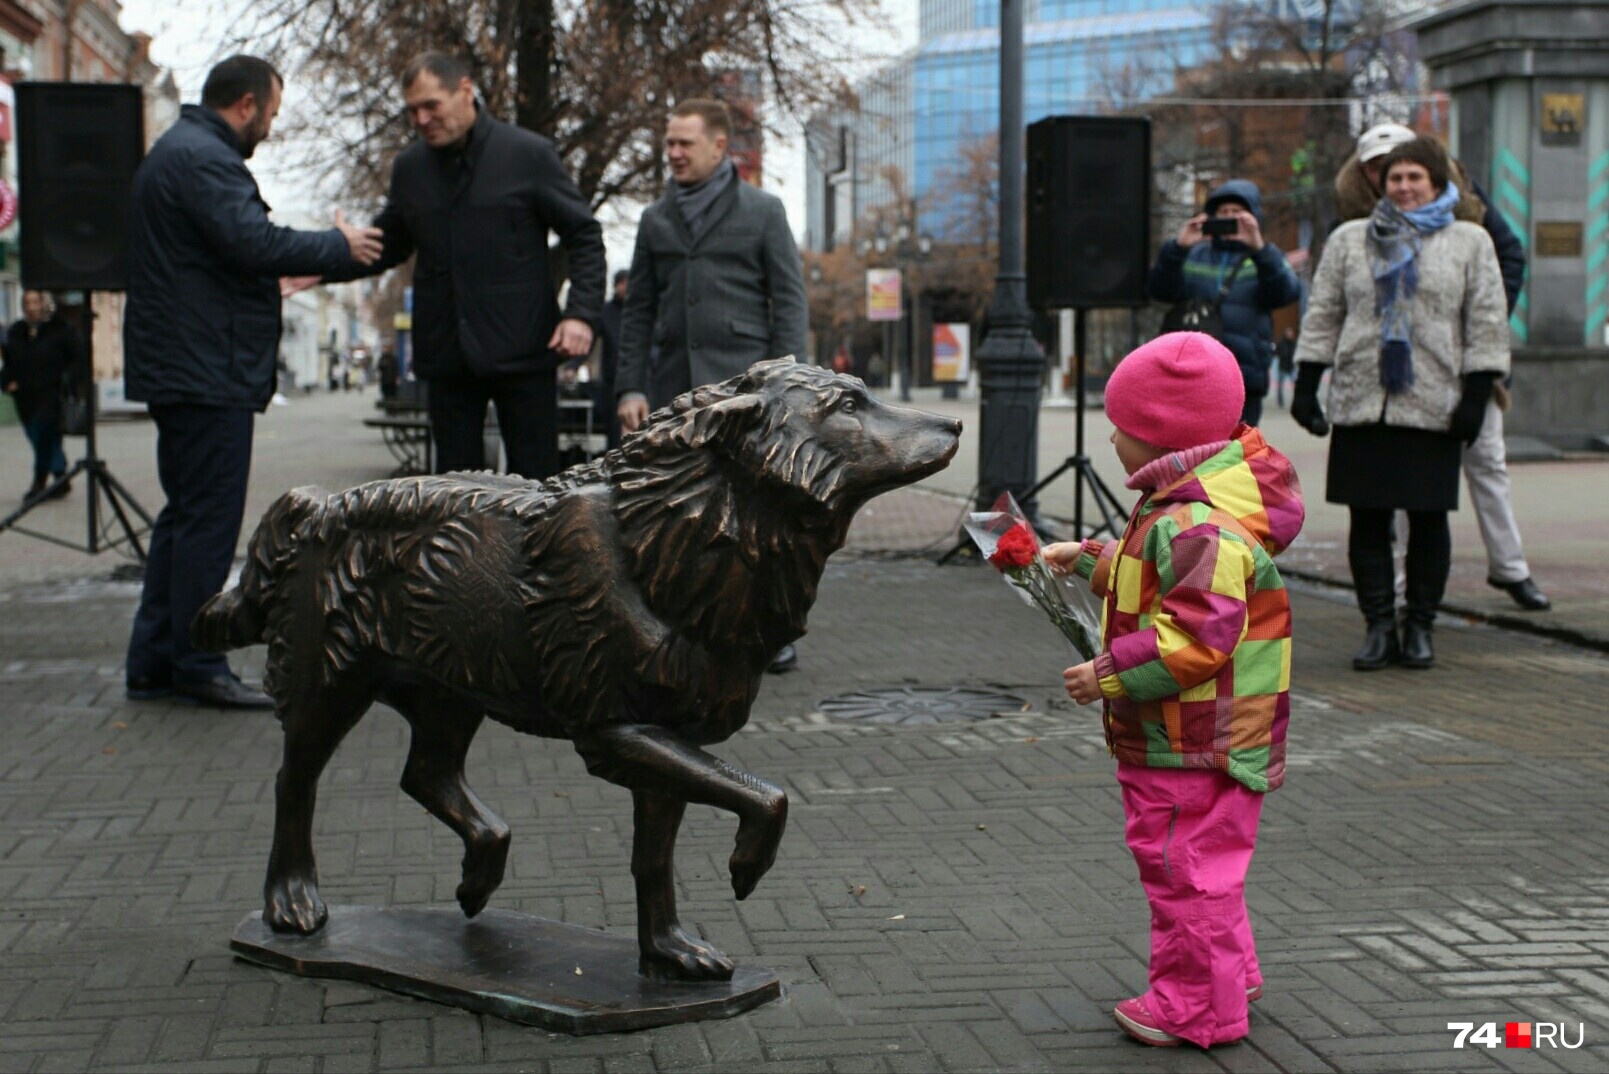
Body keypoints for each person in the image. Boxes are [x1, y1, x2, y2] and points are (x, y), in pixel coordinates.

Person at [1044, 332, 1305, 1050]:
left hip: (1189, 739)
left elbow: (1195, 637)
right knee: (1208, 864)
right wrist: (1096, 560)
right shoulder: (1186, 504)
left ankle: (1196, 1007)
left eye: (1121, 425)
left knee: (1183, 872)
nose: (1110, 435)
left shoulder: (1194, 522)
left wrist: (1106, 673)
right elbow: (1163, 578)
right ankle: (1231, 974)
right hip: (1206, 735)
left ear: (1158, 435)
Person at [123, 55, 385, 709]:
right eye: (269, 113)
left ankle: (154, 660)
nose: (268, 126)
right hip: (205, 369)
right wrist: (336, 245)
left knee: (183, 520)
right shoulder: (205, 159)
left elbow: (230, 254)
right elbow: (254, 243)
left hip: (187, 366)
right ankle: (197, 661)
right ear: (244, 105)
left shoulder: (179, 151)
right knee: (207, 523)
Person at [318, 51, 604, 480]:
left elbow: (584, 235)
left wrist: (580, 314)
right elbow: (386, 245)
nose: (420, 119)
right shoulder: (410, 168)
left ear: (465, 91)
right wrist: (326, 260)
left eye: (431, 105)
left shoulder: (527, 155)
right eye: (412, 110)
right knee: (454, 498)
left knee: (540, 491)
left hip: (524, 352)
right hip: (448, 358)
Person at [1292, 136, 1510, 671]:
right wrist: (1306, 383)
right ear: (1380, 185)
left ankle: (1419, 628)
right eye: (1395, 178)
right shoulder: (1350, 239)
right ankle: (1378, 628)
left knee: (1429, 520)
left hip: (1433, 401)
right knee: (1367, 521)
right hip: (1363, 402)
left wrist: (1477, 394)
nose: (1405, 187)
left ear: (1439, 183)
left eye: (1416, 177)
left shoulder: (1469, 241)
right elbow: (1323, 313)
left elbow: (1485, 319)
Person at [615, 96, 809, 673]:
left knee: (757, 516)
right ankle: (690, 625)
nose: (671, 153)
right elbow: (638, 313)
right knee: (684, 513)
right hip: (677, 391)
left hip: (747, 391)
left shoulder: (764, 211)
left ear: (719, 146)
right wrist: (630, 387)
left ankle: (767, 630)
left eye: (683, 143)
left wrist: (787, 388)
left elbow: (790, 303)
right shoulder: (654, 220)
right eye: (668, 143)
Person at [1335, 122, 1548, 612]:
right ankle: (1409, 593)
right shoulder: (1355, 225)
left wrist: (1471, 330)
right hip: (1386, 382)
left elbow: (1506, 259)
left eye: (1405, 167)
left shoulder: (1464, 211)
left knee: (1487, 463)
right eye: (1378, 167)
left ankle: (1511, 568)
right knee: (1412, 486)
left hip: (1466, 368)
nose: (1392, 179)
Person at [1146, 180, 1302, 427]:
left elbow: (1286, 293)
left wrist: (1260, 248)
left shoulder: (1265, 257)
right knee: (1191, 453)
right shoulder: (1194, 253)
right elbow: (1160, 291)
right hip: (1193, 376)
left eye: (1238, 213)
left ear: (1254, 217)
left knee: (1235, 454)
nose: (1230, 219)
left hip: (1244, 377)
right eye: (1223, 213)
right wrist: (1177, 248)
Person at [2, 290, 82, 502]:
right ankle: (60, 477)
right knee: (39, 437)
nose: (31, 307)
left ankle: (39, 484)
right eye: (27, 302)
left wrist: (68, 382)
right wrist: (6, 381)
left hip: (52, 394)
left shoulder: (60, 329)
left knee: (44, 436)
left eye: (35, 301)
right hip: (25, 397)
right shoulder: (17, 331)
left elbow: (77, 358)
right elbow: (8, 361)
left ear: (45, 303)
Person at [595, 268, 628, 450]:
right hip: (611, 384)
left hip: (640, 380)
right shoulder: (606, 312)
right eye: (621, 283)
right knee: (615, 435)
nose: (624, 287)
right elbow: (591, 340)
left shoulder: (638, 312)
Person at [1273, 326, 1297, 406]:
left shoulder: (1294, 344)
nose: (1290, 334)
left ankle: (1296, 401)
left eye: (1291, 333)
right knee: (1280, 386)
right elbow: (1276, 353)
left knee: (1295, 384)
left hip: (1291, 367)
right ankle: (1280, 401)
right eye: (1288, 332)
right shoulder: (1281, 343)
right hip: (1282, 366)